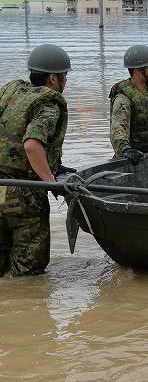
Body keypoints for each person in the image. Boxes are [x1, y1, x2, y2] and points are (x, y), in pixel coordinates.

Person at [0, 44, 72, 276]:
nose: (65, 82)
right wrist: (50, 181)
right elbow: (32, 144)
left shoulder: (10, 90)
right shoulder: (48, 103)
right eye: (64, 77)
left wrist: (55, 165)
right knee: (28, 274)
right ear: (53, 78)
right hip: (24, 193)